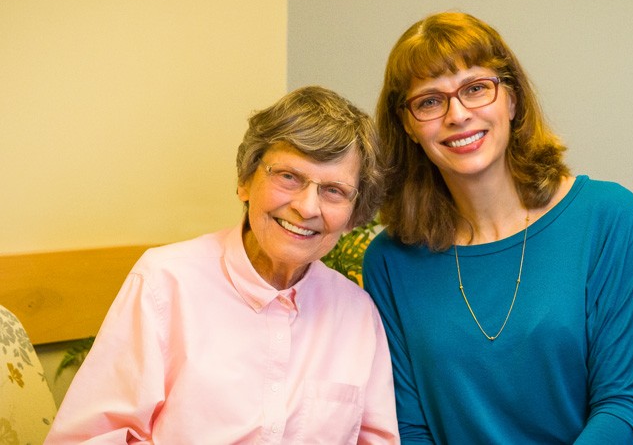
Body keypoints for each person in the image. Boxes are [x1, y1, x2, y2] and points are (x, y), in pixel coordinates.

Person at [362, 12, 633, 444]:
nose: (458, 114)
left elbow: (619, 405)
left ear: (512, 99)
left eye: (475, 89)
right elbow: (411, 429)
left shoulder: (609, 216)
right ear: (408, 125)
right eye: (429, 101)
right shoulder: (390, 261)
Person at [46, 86, 399, 444]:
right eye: (289, 177)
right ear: (245, 181)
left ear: (354, 214)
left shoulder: (357, 314)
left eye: (334, 190)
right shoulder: (164, 284)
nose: (308, 208)